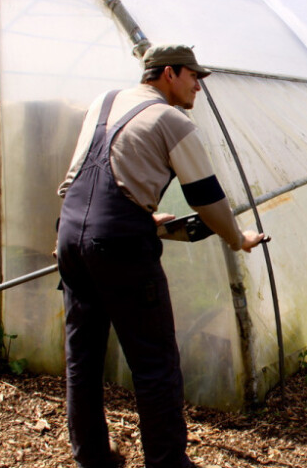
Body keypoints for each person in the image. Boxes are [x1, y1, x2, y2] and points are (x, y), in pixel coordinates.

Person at [56, 44, 264, 468]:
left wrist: (140, 216)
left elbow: (85, 177)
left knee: (82, 357)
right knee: (155, 362)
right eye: (194, 77)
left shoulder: (104, 102)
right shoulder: (172, 120)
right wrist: (236, 239)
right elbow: (206, 198)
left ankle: (91, 458)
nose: (198, 87)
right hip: (119, 246)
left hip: (71, 233)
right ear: (169, 73)